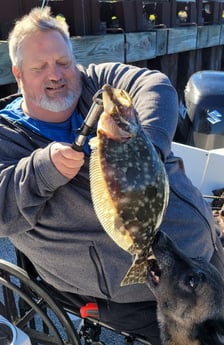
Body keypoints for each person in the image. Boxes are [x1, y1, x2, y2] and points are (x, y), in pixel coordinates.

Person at [0, 6, 223, 345]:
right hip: (143, 291)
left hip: (204, 256)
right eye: (39, 67)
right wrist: (45, 169)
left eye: (63, 63)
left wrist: (145, 148)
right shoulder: (7, 136)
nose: (56, 74)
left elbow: (155, 85)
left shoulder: (95, 85)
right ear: (18, 74)